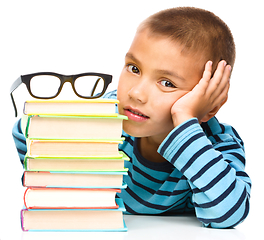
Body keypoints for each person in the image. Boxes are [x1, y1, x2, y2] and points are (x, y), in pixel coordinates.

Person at [12, 7, 251, 228]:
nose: (136, 93)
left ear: (209, 103)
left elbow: (229, 213)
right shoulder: (103, 119)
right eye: (133, 68)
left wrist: (185, 120)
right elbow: (26, 131)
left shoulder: (215, 146)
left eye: (167, 83)